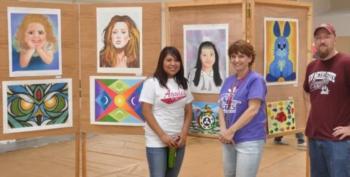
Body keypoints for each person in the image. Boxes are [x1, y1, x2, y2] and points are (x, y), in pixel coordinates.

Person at [304, 23, 350, 177]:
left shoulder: (346, 62)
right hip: (315, 138)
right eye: (318, 38)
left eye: (326, 37)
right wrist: (310, 121)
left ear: (334, 39)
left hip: (338, 142)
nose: (322, 41)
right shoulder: (311, 67)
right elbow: (307, 93)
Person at [139, 46, 193, 177]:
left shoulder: (183, 83)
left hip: (178, 140)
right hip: (157, 140)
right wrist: (163, 136)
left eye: (176, 60)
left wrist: (184, 134)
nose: (173, 64)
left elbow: (189, 111)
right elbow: (146, 111)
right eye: (169, 60)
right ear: (161, 62)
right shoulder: (151, 83)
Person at [218, 40, 267, 177]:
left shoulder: (255, 80)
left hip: (249, 139)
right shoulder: (228, 81)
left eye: (241, 56)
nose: (236, 60)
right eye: (233, 56)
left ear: (250, 58)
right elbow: (222, 106)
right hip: (229, 139)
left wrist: (231, 131)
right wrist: (224, 131)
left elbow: (253, 109)